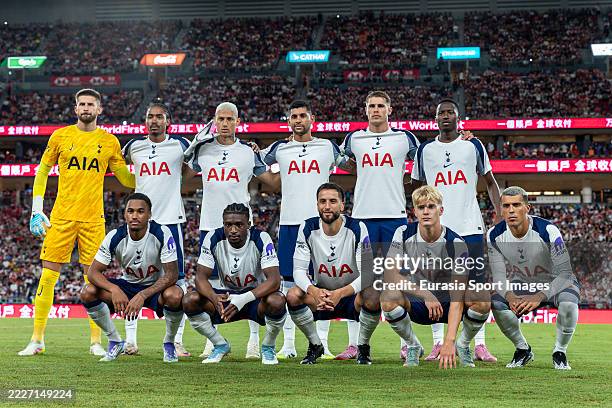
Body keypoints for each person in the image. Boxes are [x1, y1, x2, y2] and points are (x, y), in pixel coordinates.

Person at [20, 88, 135, 357]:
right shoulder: (61, 136)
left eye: (90, 104)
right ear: (75, 109)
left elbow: (126, 179)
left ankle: (96, 342)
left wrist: (152, 174)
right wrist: (37, 210)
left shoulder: (109, 142)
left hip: (93, 219)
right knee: (48, 276)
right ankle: (37, 339)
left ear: (99, 109)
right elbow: (43, 171)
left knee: (92, 281)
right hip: (61, 216)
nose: (85, 108)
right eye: (81, 103)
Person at [261, 100, 359, 360]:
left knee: (324, 281)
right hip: (291, 224)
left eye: (302, 115)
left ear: (311, 119)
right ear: (289, 120)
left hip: (322, 226)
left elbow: (352, 165)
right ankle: (290, 344)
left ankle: (324, 344)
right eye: (293, 116)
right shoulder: (280, 149)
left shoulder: (327, 146)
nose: (298, 120)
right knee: (291, 284)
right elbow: (255, 160)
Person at [184, 101, 280, 359]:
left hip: (242, 229)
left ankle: (253, 341)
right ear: (214, 121)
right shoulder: (203, 150)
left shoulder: (248, 152)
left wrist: (284, 161)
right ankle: (213, 339)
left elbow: (272, 180)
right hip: (210, 227)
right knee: (213, 284)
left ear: (238, 121)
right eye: (220, 119)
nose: (225, 123)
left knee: (252, 281)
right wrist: (191, 146)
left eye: (230, 119)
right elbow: (182, 175)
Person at [410, 98, 500, 363]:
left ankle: (479, 345)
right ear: (435, 119)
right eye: (441, 113)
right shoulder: (425, 149)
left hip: (470, 227)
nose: (446, 116)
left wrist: (500, 213)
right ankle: (438, 343)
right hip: (437, 232)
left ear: (459, 119)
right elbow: (416, 189)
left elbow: (490, 181)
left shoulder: (473, 145)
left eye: (451, 112)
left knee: (477, 287)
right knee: (436, 286)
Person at [340, 90, 420, 364]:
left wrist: (402, 180)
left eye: (380, 106)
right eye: (371, 106)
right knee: (362, 283)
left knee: (396, 281)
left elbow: (424, 162)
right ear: (365, 110)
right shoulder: (354, 139)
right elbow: (343, 161)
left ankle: (405, 344)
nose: (375, 110)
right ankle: (356, 344)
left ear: (389, 109)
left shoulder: (404, 138)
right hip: (362, 218)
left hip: (395, 217)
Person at [381, 185, 491, 368]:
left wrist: (450, 341)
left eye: (431, 206)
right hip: (419, 302)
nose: (426, 211)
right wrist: (426, 294)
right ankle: (413, 346)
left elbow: (457, 297)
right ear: (414, 211)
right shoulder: (402, 234)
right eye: (421, 207)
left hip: (449, 304)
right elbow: (391, 275)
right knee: (388, 296)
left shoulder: (456, 243)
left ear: (441, 210)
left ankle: (462, 345)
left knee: (482, 297)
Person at [121, 99, 191, 357]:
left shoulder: (181, 145)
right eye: (150, 116)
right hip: (140, 224)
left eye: (159, 117)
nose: (154, 121)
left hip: (170, 221)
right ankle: (130, 341)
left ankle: (176, 341)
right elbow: (113, 161)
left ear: (167, 121)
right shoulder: (134, 147)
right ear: (145, 121)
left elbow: (200, 159)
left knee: (178, 281)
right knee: (133, 279)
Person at [80, 193, 184, 363]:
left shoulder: (162, 232)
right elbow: (92, 272)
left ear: (149, 215)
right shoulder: (115, 236)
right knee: (88, 292)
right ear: (125, 214)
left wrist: (143, 295)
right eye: (131, 211)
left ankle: (169, 343)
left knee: (175, 295)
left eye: (141, 211)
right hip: (128, 285)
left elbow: (172, 274)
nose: (135, 216)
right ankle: (115, 340)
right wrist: (114, 289)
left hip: (155, 287)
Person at [488, 186, 580, 370]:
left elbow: (565, 272)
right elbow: (498, 276)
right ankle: (522, 349)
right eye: (506, 206)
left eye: (516, 205)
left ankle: (559, 352)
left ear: (527, 208)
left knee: (569, 303)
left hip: (556, 282)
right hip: (523, 283)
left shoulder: (548, 230)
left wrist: (539, 296)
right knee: (497, 303)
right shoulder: (493, 235)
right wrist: (510, 296)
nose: (511, 210)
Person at [182, 203, 286, 365]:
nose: (233, 230)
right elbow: (200, 278)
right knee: (190, 300)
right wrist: (213, 297)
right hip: (226, 298)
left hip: (254, 299)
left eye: (239, 225)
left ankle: (268, 346)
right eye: (228, 225)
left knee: (277, 300)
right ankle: (220, 344)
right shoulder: (213, 238)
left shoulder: (261, 238)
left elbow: (274, 280)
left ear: (248, 225)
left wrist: (244, 299)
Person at [287, 183, 372, 364]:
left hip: (350, 296)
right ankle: (315, 345)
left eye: (333, 201)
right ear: (317, 204)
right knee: (293, 295)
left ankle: (363, 347)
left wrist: (340, 293)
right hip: (321, 297)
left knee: (372, 294)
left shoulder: (357, 228)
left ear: (342, 205)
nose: (327, 206)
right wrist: (314, 291)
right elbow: (299, 270)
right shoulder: (307, 227)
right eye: (322, 201)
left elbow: (367, 273)